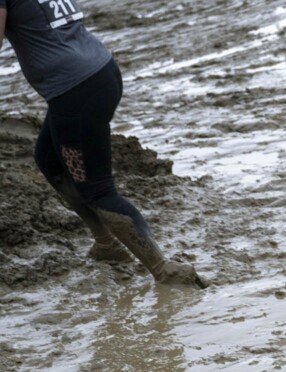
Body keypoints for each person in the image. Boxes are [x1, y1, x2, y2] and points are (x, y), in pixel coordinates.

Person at [1, 0, 205, 286]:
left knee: (98, 191)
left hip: (74, 90)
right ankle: (106, 244)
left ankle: (164, 269)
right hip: (99, 71)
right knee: (50, 161)